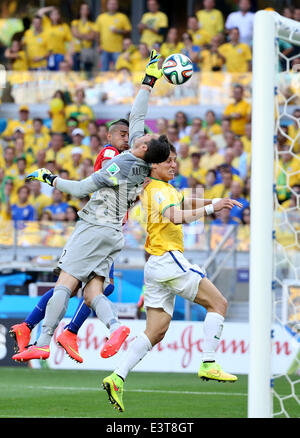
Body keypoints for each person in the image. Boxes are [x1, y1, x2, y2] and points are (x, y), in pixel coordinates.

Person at [12, 50, 170, 363]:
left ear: (144, 149)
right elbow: (138, 114)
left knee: (64, 283)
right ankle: (114, 326)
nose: (139, 137)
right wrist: (149, 80)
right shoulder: (141, 157)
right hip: (113, 233)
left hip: (95, 225)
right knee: (93, 292)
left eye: (143, 139)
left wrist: (51, 178)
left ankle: (43, 340)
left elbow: (83, 188)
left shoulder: (122, 164)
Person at [102, 145, 242, 412]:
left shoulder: (160, 189)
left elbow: (184, 202)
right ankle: (209, 362)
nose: (174, 165)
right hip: (168, 259)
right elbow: (176, 216)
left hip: (155, 266)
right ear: (153, 165)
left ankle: (117, 377)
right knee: (218, 304)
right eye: (168, 161)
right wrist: (212, 208)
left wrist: (215, 202)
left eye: (176, 161)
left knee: (155, 332)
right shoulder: (159, 190)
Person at [11, 119, 131, 363]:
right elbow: (108, 173)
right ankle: (62, 332)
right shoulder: (112, 153)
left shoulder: (128, 162)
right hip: (99, 227)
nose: (126, 138)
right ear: (109, 137)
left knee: (86, 286)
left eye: (129, 134)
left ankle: (37, 328)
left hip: (108, 229)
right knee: (76, 285)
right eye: (122, 133)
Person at [95, 0, 132, 72]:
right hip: (104, 49)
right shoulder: (101, 17)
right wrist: (98, 45)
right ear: (107, 5)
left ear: (117, 6)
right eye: (111, 4)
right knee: (104, 70)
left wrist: (118, 31)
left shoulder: (122, 17)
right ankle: (104, 83)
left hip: (118, 49)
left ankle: (117, 83)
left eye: (114, 4)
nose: (112, 5)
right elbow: (97, 33)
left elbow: (128, 31)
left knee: (118, 69)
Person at [71, 2, 96, 72]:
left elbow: (92, 36)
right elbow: (75, 34)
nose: (84, 11)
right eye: (83, 9)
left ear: (88, 11)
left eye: (86, 9)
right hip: (77, 50)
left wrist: (80, 35)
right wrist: (86, 35)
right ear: (80, 11)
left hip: (87, 50)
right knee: (76, 71)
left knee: (87, 71)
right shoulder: (75, 22)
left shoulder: (92, 24)